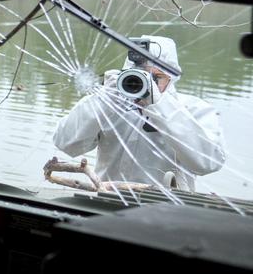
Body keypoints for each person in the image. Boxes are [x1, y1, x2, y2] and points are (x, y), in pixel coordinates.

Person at [53, 35, 225, 190]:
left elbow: (208, 163)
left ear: (172, 78)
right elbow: (65, 143)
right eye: (140, 76)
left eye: (156, 77)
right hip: (107, 204)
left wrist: (159, 106)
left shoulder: (193, 109)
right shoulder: (109, 102)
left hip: (168, 212)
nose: (147, 83)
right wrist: (102, 100)